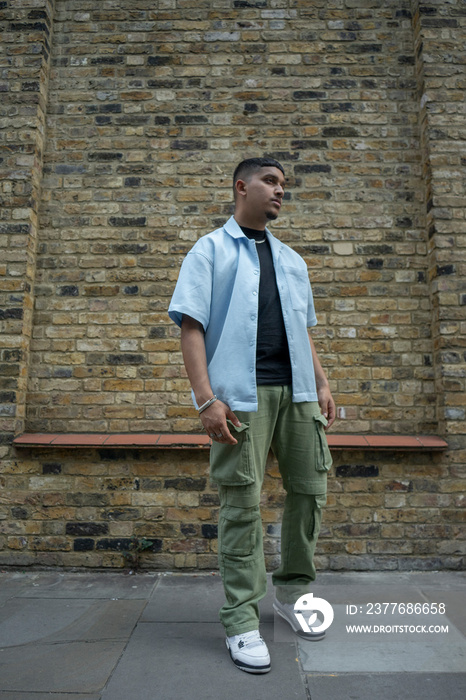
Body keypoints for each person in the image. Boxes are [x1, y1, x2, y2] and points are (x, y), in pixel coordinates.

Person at [168, 156, 335, 674]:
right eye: (270, 181)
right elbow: (190, 326)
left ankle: (292, 593)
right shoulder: (210, 250)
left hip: (300, 394)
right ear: (242, 187)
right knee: (241, 505)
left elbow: (303, 330)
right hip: (241, 397)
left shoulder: (291, 259)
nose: (280, 191)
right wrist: (205, 399)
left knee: (310, 492)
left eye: (283, 184)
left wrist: (324, 382)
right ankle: (241, 619)